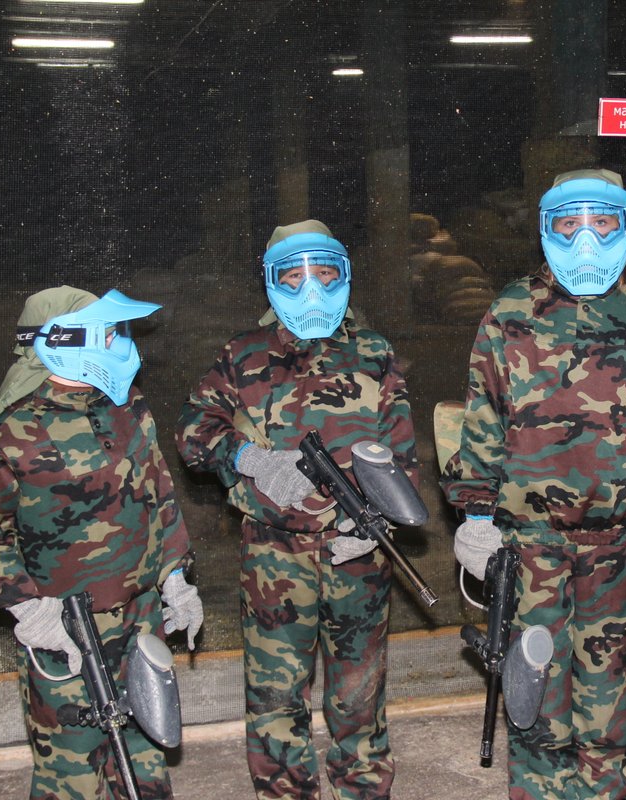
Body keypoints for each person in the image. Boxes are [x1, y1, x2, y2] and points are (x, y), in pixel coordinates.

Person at [440, 168, 626, 799]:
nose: (584, 238)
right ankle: (541, 789)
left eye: (600, 222)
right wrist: (475, 513)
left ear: (624, 228)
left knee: (608, 673)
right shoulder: (511, 311)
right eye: (568, 224)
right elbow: (482, 418)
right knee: (533, 670)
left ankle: (606, 788)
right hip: (528, 537)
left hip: (617, 537)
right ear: (546, 230)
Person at [176, 220, 417, 800]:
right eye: (294, 277)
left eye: (325, 273)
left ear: (344, 276)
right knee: (275, 691)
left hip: (359, 551)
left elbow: (400, 449)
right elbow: (193, 432)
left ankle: (364, 786)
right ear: (272, 282)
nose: (311, 287)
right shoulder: (242, 354)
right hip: (274, 553)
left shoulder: (373, 351)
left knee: (360, 689)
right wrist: (249, 458)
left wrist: (382, 521)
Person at [0, 286, 202, 800]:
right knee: (72, 770)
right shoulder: (13, 431)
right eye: (105, 332)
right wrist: (27, 609)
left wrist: (175, 577)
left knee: (146, 757)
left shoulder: (125, 406)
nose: (118, 342)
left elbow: (159, 492)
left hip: (140, 616)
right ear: (62, 342)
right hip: (65, 628)